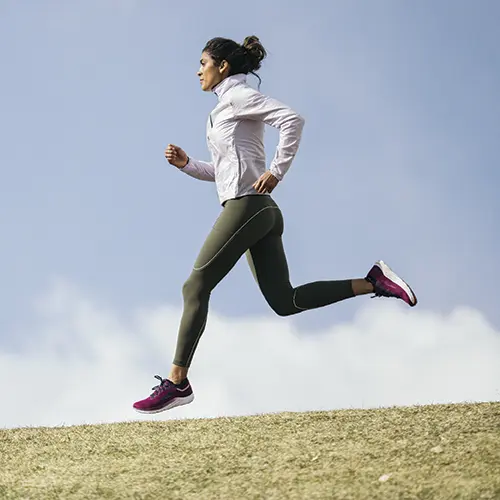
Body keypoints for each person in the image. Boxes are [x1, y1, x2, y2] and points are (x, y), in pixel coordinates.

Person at [132, 36, 417, 415]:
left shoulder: (237, 97)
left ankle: (177, 383)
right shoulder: (221, 109)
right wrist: (187, 164)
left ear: (223, 67)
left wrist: (276, 171)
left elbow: (292, 119)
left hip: (250, 206)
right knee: (285, 301)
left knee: (195, 284)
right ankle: (374, 281)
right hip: (257, 210)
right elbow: (226, 172)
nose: (198, 70)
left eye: (203, 62)